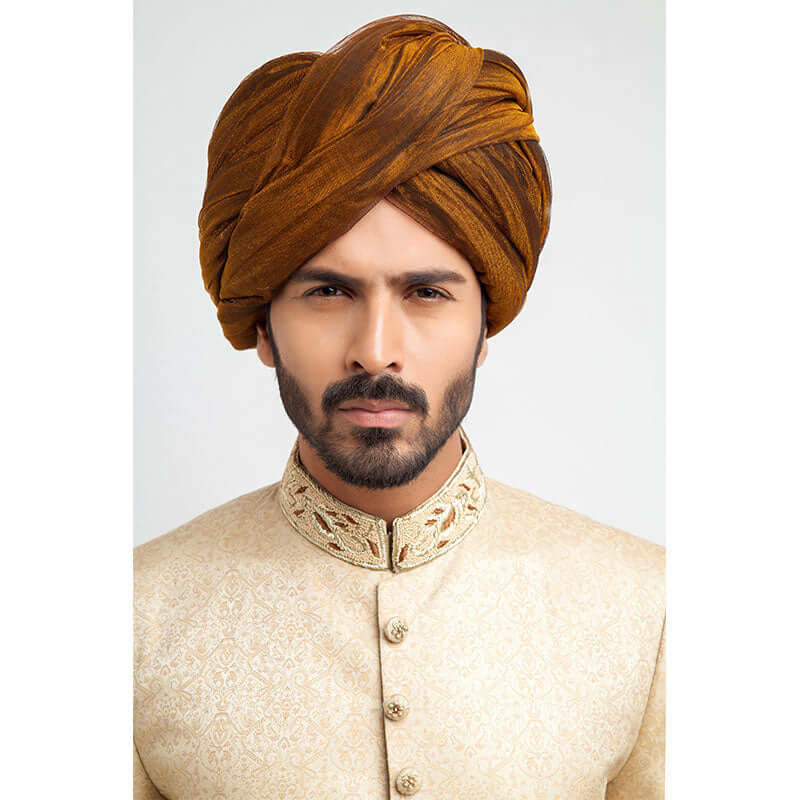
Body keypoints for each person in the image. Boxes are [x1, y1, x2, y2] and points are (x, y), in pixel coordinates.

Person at [134, 14, 664, 800]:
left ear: (485, 325)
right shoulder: (133, 620)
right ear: (264, 328)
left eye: (426, 293)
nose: (375, 351)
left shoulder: (644, 608)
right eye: (328, 291)